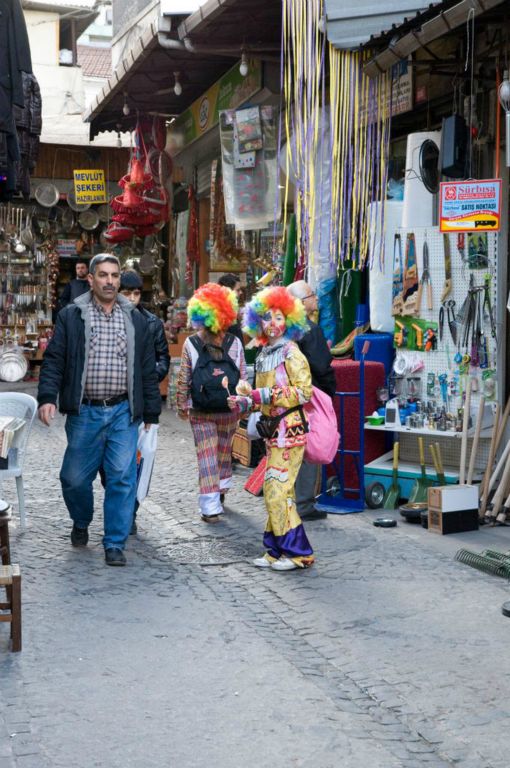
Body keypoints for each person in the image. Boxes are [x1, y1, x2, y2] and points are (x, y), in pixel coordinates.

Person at [37, 254, 161, 567]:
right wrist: (48, 396)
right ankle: (81, 520)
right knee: (74, 479)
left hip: (123, 411)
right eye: (103, 275)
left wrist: (151, 414)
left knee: (121, 476)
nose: (109, 281)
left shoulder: (135, 319)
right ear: (90, 279)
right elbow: (54, 359)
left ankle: (114, 543)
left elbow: (146, 368)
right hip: (85, 412)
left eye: (115, 276)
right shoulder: (71, 315)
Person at [228, 286, 315, 572]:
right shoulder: (266, 352)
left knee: (278, 491)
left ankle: (299, 553)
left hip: (289, 433)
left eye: (280, 317)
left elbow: (304, 393)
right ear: (258, 322)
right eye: (267, 318)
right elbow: (261, 397)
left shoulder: (292, 353)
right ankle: (275, 549)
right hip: (272, 434)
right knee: (273, 490)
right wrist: (244, 399)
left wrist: (261, 396)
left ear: (290, 320)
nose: (274, 323)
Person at [176, 282, 246, 523]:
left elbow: (184, 377)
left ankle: (210, 508)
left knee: (206, 456)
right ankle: (222, 489)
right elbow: (243, 378)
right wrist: (243, 405)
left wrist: (181, 405)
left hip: (200, 408)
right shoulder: (235, 343)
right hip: (229, 409)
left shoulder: (191, 343)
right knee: (224, 451)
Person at [117, 269, 170, 534]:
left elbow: (163, 359)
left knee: (142, 458)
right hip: (115, 401)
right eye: (126, 292)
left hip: (144, 403)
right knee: (116, 462)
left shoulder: (151, 323)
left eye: (136, 293)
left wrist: (147, 378)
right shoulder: (106, 319)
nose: (132, 298)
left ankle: (131, 511)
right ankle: (121, 507)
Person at [287, 280, 336, 521]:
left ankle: (287, 498)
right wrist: (328, 392)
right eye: (311, 295)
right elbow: (321, 365)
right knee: (308, 448)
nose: (316, 299)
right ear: (301, 302)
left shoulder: (283, 326)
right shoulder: (308, 328)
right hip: (308, 396)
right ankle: (304, 504)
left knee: (289, 446)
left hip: (285, 397)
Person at [218, 273, 244, 347]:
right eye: (238, 290)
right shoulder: (224, 318)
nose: (241, 292)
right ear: (228, 291)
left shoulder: (232, 312)